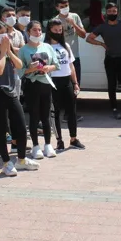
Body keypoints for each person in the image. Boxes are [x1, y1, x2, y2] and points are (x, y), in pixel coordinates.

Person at [0, 21, 39, 174]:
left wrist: (9, 51)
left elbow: (20, 65)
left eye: (6, 32)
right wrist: (2, 52)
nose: (5, 36)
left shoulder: (8, 48)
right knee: (1, 130)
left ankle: (21, 159)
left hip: (12, 93)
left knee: (20, 126)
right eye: (1, 33)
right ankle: (6, 162)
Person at [87, 2, 121, 121]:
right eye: (110, 11)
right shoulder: (102, 27)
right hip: (110, 59)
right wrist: (102, 44)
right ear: (106, 13)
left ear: (117, 12)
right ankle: (114, 109)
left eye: (114, 11)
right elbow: (89, 38)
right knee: (112, 85)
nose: (112, 13)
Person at [19, 20, 60, 159]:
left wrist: (48, 68)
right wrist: (32, 68)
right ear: (28, 32)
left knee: (46, 115)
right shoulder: (24, 50)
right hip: (32, 85)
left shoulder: (47, 47)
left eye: (39, 30)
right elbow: (20, 71)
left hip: (46, 84)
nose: (38, 32)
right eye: (35, 30)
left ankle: (48, 144)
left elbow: (56, 64)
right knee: (34, 116)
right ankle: (35, 146)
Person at [45, 19, 85, 151]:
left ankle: (73, 139)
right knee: (55, 113)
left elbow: (71, 66)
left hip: (66, 81)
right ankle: (59, 140)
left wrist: (75, 83)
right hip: (52, 83)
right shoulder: (45, 47)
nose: (58, 32)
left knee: (71, 112)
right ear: (49, 31)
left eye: (60, 30)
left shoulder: (65, 46)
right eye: (55, 30)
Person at [53, 0, 87, 89]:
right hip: (62, 58)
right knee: (64, 87)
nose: (65, 8)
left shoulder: (75, 16)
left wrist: (73, 24)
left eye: (66, 5)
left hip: (75, 56)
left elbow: (83, 35)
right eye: (62, 6)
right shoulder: (55, 21)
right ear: (57, 8)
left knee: (76, 85)